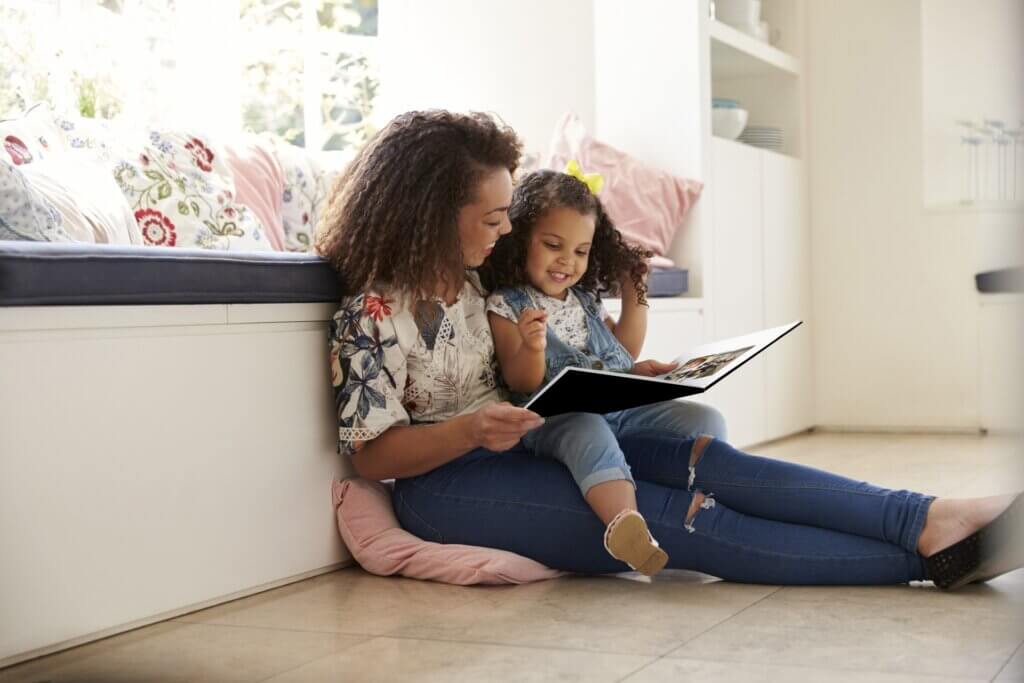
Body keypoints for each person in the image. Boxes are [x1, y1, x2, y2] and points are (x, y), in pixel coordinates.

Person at [317, 109, 1022, 589]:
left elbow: (556, 321)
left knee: (716, 464)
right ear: (433, 218)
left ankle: (928, 517)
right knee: (683, 520)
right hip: (452, 486)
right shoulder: (368, 315)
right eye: (493, 217)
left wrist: (623, 372)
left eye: (508, 215)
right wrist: (470, 428)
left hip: (536, 438)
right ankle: (925, 560)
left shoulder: (482, 284)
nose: (505, 230)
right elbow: (373, 452)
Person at [479, 166, 698, 577]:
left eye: (581, 252)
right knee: (586, 429)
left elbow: (622, 352)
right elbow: (520, 382)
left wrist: (636, 299)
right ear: (522, 238)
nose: (567, 261)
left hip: (613, 409)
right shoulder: (508, 304)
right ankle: (626, 527)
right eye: (553, 245)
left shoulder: (583, 300)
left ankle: (697, 487)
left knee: (699, 416)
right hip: (552, 420)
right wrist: (531, 346)